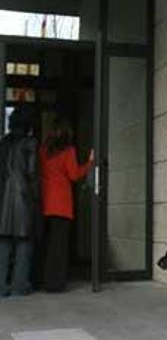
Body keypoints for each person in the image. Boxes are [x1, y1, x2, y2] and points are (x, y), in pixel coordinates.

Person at [40, 118, 93, 292]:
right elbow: (74, 175)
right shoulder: (69, 151)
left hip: (46, 203)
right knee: (60, 246)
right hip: (62, 204)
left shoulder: (44, 150)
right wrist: (90, 163)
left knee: (48, 244)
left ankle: (45, 280)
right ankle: (56, 284)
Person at [0, 107, 40, 297]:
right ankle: (19, 285)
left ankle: (1, 285)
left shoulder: (4, 143)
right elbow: (32, 174)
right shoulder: (30, 143)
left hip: (4, 197)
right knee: (25, 243)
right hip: (23, 197)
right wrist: (37, 197)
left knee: (4, 242)